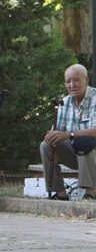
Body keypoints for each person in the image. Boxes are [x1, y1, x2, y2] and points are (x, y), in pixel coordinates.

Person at [40, 64, 96, 200]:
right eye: (68, 81)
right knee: (46, 145)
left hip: (92, 154)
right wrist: (52, 136)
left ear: (86, 80)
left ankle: (91, 193)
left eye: (77, 80)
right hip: (75, 155)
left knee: (85, 142)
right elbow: (58, 134)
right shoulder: (63, 103)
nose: (72, 85)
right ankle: (59, 193)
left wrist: (70, 134)